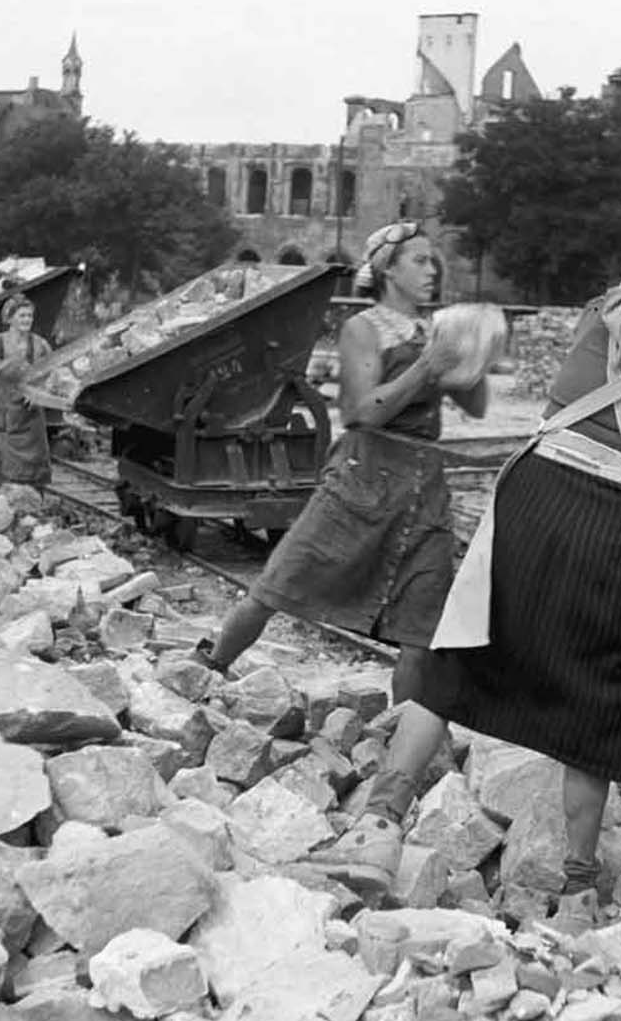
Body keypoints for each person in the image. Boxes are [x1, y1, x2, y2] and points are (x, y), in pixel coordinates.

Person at [310, 242, 621, 898]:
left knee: (455, 662)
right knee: (596, 702)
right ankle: (576, 890)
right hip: (618, 522)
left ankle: (378, 829)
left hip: (534, 497)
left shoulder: (597, 318)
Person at [193, 221, 484, 695]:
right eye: (419, 260)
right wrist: (426, 366)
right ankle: (207, 667)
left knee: (420, 626)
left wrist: (474, 356)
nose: (433, 269)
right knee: (280, 582)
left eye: (434, 260)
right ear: (387, 270)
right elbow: (359, 412)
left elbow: (477, 407)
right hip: (362, 477)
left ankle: (397, 736)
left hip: (422, 489)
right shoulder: (363, 328)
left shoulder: (435, 330)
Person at [0, 295, 53, 486]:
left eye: (30, 316)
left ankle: (26, 507)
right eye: (22, 316)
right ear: (9, 318)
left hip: (28, 421)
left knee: (31, 473)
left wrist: (40, 393)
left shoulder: (40, 345)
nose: (27, 320)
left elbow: (54, 375)